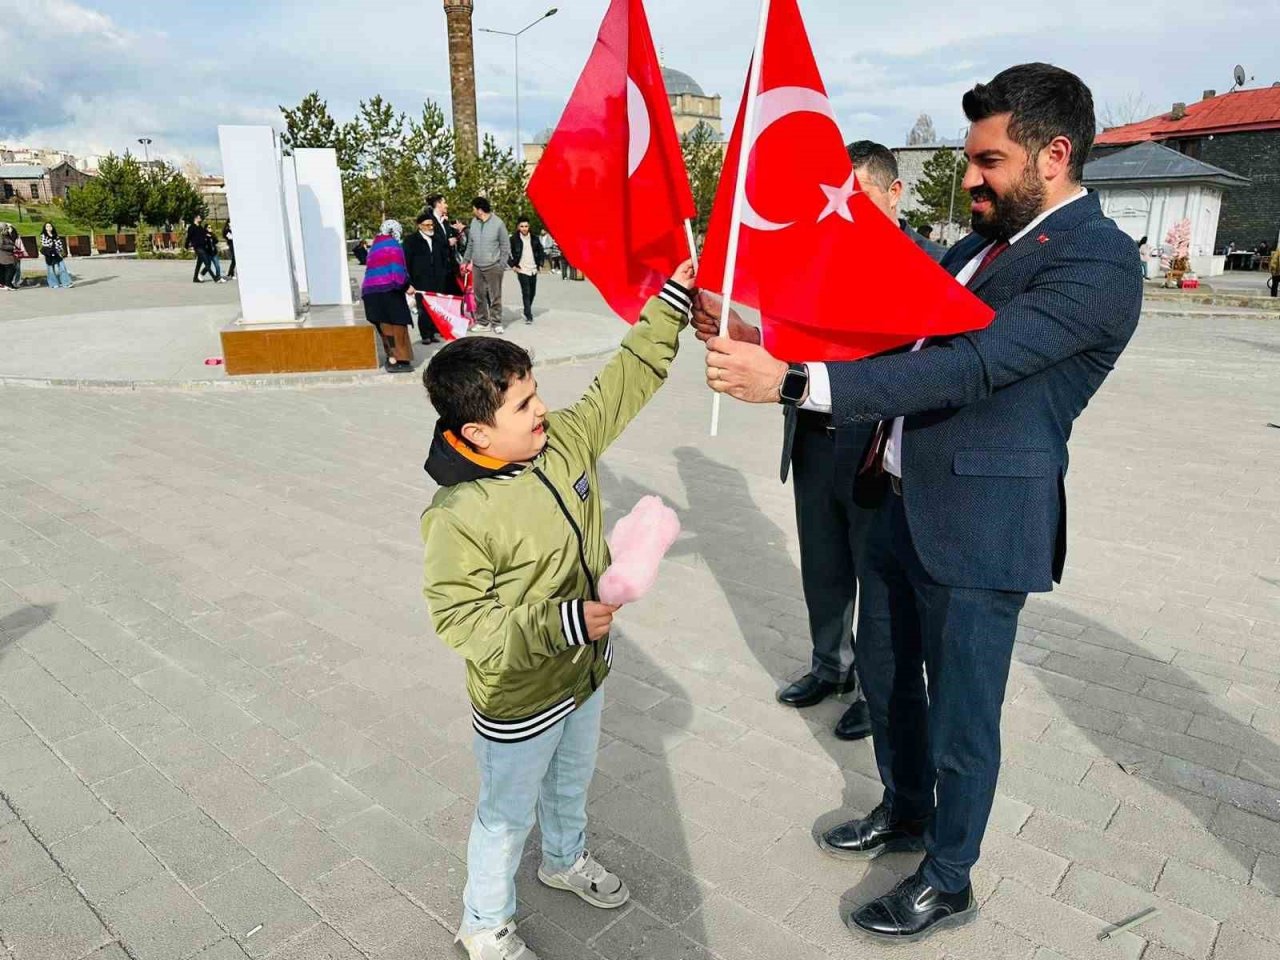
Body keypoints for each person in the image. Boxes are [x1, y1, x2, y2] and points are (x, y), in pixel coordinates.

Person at [701, 63, 1143, 942]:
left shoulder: (1099, 263)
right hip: (896, 500)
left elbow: (969, 364)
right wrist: (756, 323)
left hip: (981, 529)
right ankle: (903, 813)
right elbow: (887, 335)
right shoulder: (975, 246)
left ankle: (948, 876)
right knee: (896, 682)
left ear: (1054, 156)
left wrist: (791, 383)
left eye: (988, 161)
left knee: (961, 717)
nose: (969, 178)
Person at [420, 261, 695, 960]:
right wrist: (563, 622)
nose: (540, 409)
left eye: (536, 393)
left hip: (585, 673)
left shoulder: (564, 439)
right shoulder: (459, 514)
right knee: (506, 815)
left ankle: (565, 860)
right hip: (519, 694)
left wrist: (669, 306)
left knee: (572, 779)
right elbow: (462, 621)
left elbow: (623, 383)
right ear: (478, 434)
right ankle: (484, 924)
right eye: (521, 406)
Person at [697, 141, 937, 743]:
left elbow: (921, 363)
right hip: (812, 437)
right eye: (839, 197)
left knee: (876, 577)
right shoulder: (818, 260)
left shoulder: (929, 266)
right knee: (824, 566)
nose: (846, 207)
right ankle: (830, 667)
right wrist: (747, 332)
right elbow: (791, 343)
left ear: (893, 193)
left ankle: (878, 692)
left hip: (876, 445)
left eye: (857, 195)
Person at [361, 219, 416, 373]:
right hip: (389, 291)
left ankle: (391, 358)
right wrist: (407, 286)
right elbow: (398, 272)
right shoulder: (394, 246)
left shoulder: (375, 246)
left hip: (371, 293)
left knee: (384, 325)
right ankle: (402, 359)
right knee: (397, 325)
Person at [403, 211, 451, 344]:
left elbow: (444, 258)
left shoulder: (438, 239)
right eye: (427, 225)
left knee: (436, 307)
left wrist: (444, 273)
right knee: (423, 308)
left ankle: (433, 332)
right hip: (420, 280)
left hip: (438, 279)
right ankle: (425, 334)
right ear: (419, 226)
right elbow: (406, 261)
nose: (430, 227)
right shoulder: (411, 241)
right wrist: (409, 281)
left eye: (432, 225)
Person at [463, 197, 510, 334]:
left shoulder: (498, 223)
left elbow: (505, 245)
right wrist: (465, 260)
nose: (472, 211)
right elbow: (470, 244)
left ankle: (496, 322)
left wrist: (501, 264)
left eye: (473, 208)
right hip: (477, 266)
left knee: (495, 296)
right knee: (479, 296)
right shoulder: (474, 222)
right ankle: (483, 322)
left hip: (493, 266)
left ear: (479, 209)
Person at [509, 217, 545, 325]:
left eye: (526, 226)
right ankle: (529, 315)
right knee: (526, 292)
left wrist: (541, 264)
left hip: (533, 268)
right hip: (522, 269)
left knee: (532, 292)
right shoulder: (513, 239)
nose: (524, 228)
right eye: (522, 226)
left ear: (529, 227)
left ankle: (526, 310)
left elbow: (541, 251)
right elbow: (506, 253)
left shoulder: (534, 238)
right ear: (518, 227)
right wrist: (512, 265)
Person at [427, 193, 463, 295]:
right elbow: (431, 240)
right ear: (438, 204)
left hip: (450, 269)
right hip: (438, 269)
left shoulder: (445, 222)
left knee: (457, 298)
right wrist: (447, 242)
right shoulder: (429, 221)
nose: (446, 205)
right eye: (444, 202)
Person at [186, 215, 219, 283]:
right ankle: (215, 278)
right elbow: (188, 237)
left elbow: (205, 233)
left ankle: (195, 278)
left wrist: (210, 235)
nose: (200, 219)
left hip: (203, 247)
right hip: (198, 247)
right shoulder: (191, 227)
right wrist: (186, 246)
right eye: (199, 218)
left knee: (199, 264)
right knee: (207, 264)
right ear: (195, 219)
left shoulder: (200, 227)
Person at [39, 223, 72, 289]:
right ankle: (53, 283)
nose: (49, 227)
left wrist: (59, 250)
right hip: (49, 254)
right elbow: (46, 244)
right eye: (47, 226)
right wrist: (53, 242)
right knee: (51, 269)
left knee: (62, 268)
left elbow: (59, 244)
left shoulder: (55, 235)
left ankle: (66, 283)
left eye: (50, 226)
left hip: (57, 253)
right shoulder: (43, 235)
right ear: (45, 228)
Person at [0, 225, 19, 291]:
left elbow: (15, 236)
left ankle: (7, 284)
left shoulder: (8, 236)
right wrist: (12, 247)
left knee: (9, 269)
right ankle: (7, 284)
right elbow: (1, 246)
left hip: (9, 255)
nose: (9, 229)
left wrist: (12, 230)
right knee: (11, 269)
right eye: (7, 228)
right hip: (4, 255)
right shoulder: (1, 236)